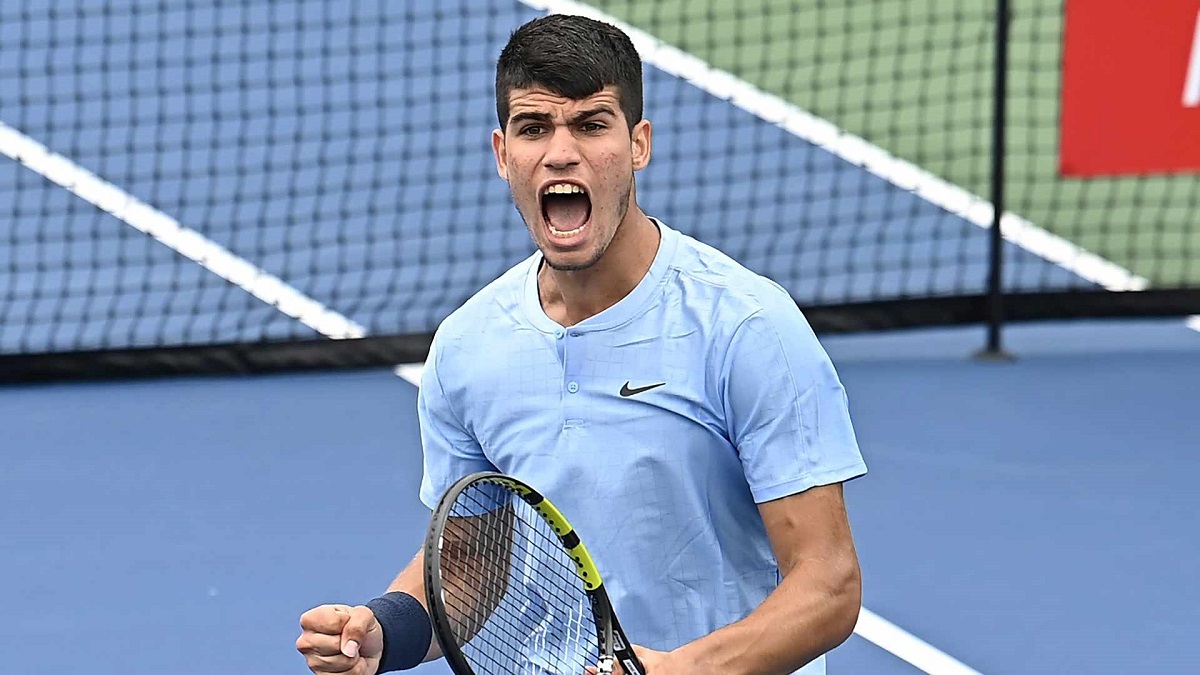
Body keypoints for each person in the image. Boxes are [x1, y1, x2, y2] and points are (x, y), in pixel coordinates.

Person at [297, 13, 867, 675]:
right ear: (503, 153)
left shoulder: (745, 326)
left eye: (592, 124)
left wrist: (683, 668)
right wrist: (383, 630)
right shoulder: (467, 347)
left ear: (638, 144)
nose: (561, 152)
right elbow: (471, 566)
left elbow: (829, 586)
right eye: (534, 127)